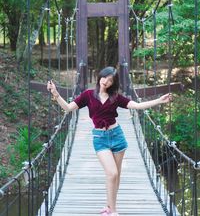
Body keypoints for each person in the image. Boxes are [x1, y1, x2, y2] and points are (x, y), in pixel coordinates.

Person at [47, 66, 172, 216]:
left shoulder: (116, 97)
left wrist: (159, 100)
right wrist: (55, 93)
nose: (106, 81)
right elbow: (68, 108)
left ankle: (109, 206)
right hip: (100, 139)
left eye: (110, 80)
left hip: (117, 136)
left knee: (116, 175)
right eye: (104, 77)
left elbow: (137, 106)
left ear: (113, 83)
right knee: (112, 173)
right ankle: (113, 212)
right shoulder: (88, 95)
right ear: (100, 76)